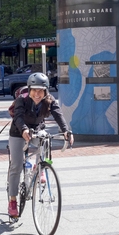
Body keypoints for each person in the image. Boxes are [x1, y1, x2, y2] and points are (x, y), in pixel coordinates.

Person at [7, 72, 74, 217]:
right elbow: (18, 117)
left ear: (46, 91)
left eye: (41, 90)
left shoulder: (49, 101)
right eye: (34, 90)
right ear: (29, 89)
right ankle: (12, 201)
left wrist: (66, 131)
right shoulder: (21, 100)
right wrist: (24, 129)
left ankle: (40, 167)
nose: (37, 94)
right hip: (18, 132)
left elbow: (59, 115)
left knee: (46, 138)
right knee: (16, 166)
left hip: (36, 131)